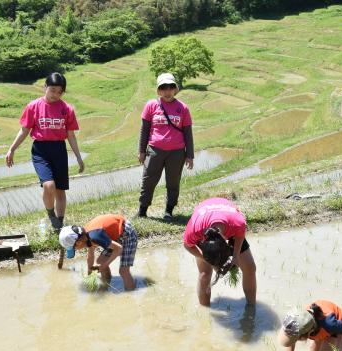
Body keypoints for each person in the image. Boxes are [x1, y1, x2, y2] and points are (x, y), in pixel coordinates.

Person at [5, 72, 84, 230]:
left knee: (60, 190)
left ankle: (59, 224)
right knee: (49, 185)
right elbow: (24, 130)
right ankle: (51, 215)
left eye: (59, 92)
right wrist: (11, 149)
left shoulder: (67, 109)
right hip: (40, 150)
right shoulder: (33, 106)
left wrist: (78, 157)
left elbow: (71, 135)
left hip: (59, 149)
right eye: (52, 90)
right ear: (45, 87)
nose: (55, 94)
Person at [137, 72, 194, 220]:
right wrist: (141, 151)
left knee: (173, 182)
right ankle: (142, 211)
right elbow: (144, 130)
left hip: (177, 152)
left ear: (175, 89)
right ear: (158, 90)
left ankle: (169, 210)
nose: (167, 91)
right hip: (155, 150)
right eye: (163, 88)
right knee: (148, 180)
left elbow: (188, 132)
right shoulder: (151, 105)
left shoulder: (183, 108)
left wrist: (190, 155)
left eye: (170, 87)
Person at [183, 197, 256, 306]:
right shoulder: (194, 231)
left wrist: (235, 256)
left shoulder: (238, 223)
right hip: (203, 225)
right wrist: (205, 259)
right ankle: (205, 312)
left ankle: (251, 307)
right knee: (204, 274)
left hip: (229, 222)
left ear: (227, 244)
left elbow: (240, 235)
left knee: (250, 267)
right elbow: (187, 245)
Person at [58, 214, 138, 290]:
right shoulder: (85, 236)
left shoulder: (95, 236)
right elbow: (90, 255)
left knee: (123, 271)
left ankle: (131, 292)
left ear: (79, 243)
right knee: (100, 262)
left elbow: (119, 248)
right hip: (113, 235)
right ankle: (107, 284)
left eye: (74, 249)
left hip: (127, 233)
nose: (75, 250)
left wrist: (105, 265)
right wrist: (89, 274)